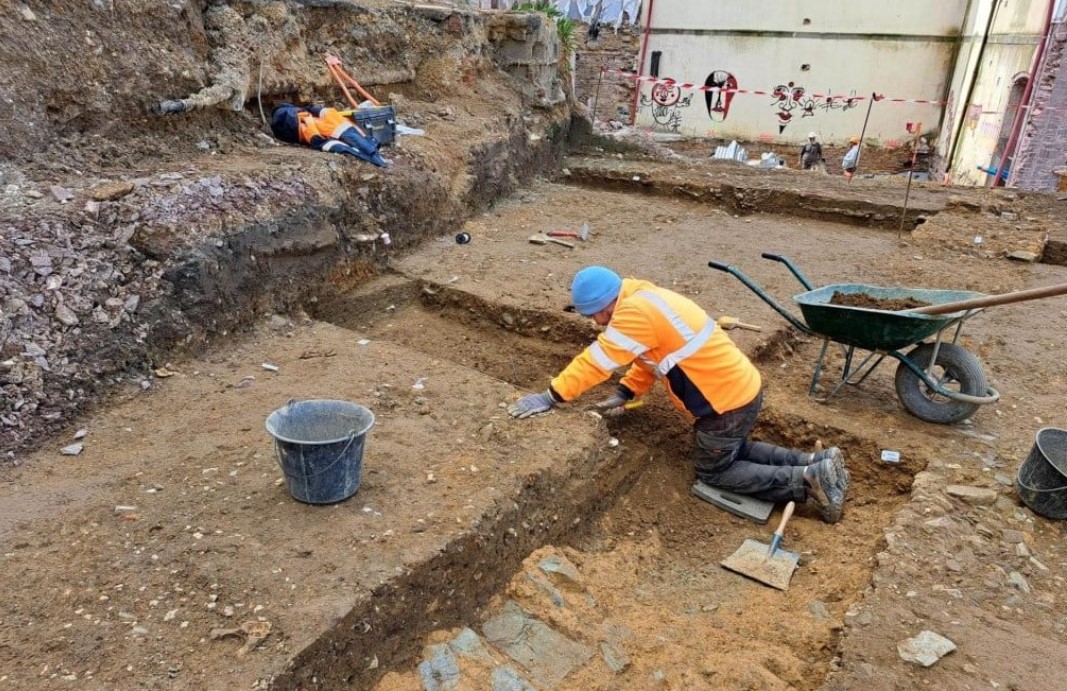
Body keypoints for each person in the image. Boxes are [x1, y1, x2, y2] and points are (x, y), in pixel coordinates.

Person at [507, 266, 849, 522]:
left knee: (713, 470)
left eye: (593, 314)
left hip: (724, 405)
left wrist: (552, 396)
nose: (594, 322)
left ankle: (805, 481)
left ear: (604, 304)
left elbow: (596, 362)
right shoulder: (643, 297)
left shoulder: (633, 314)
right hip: (741, 389)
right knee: (735, 448)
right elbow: (649, 357)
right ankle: (812, 461)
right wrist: (628, 391)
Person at [270, 103, 387, 168]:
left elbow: (316, 139)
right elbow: (316, 138)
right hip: (337, 128)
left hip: (332, 129)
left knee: (356, 142)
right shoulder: (309, 117)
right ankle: (369, 150)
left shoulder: (306, 120)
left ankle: (369, 150)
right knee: (357, 142)